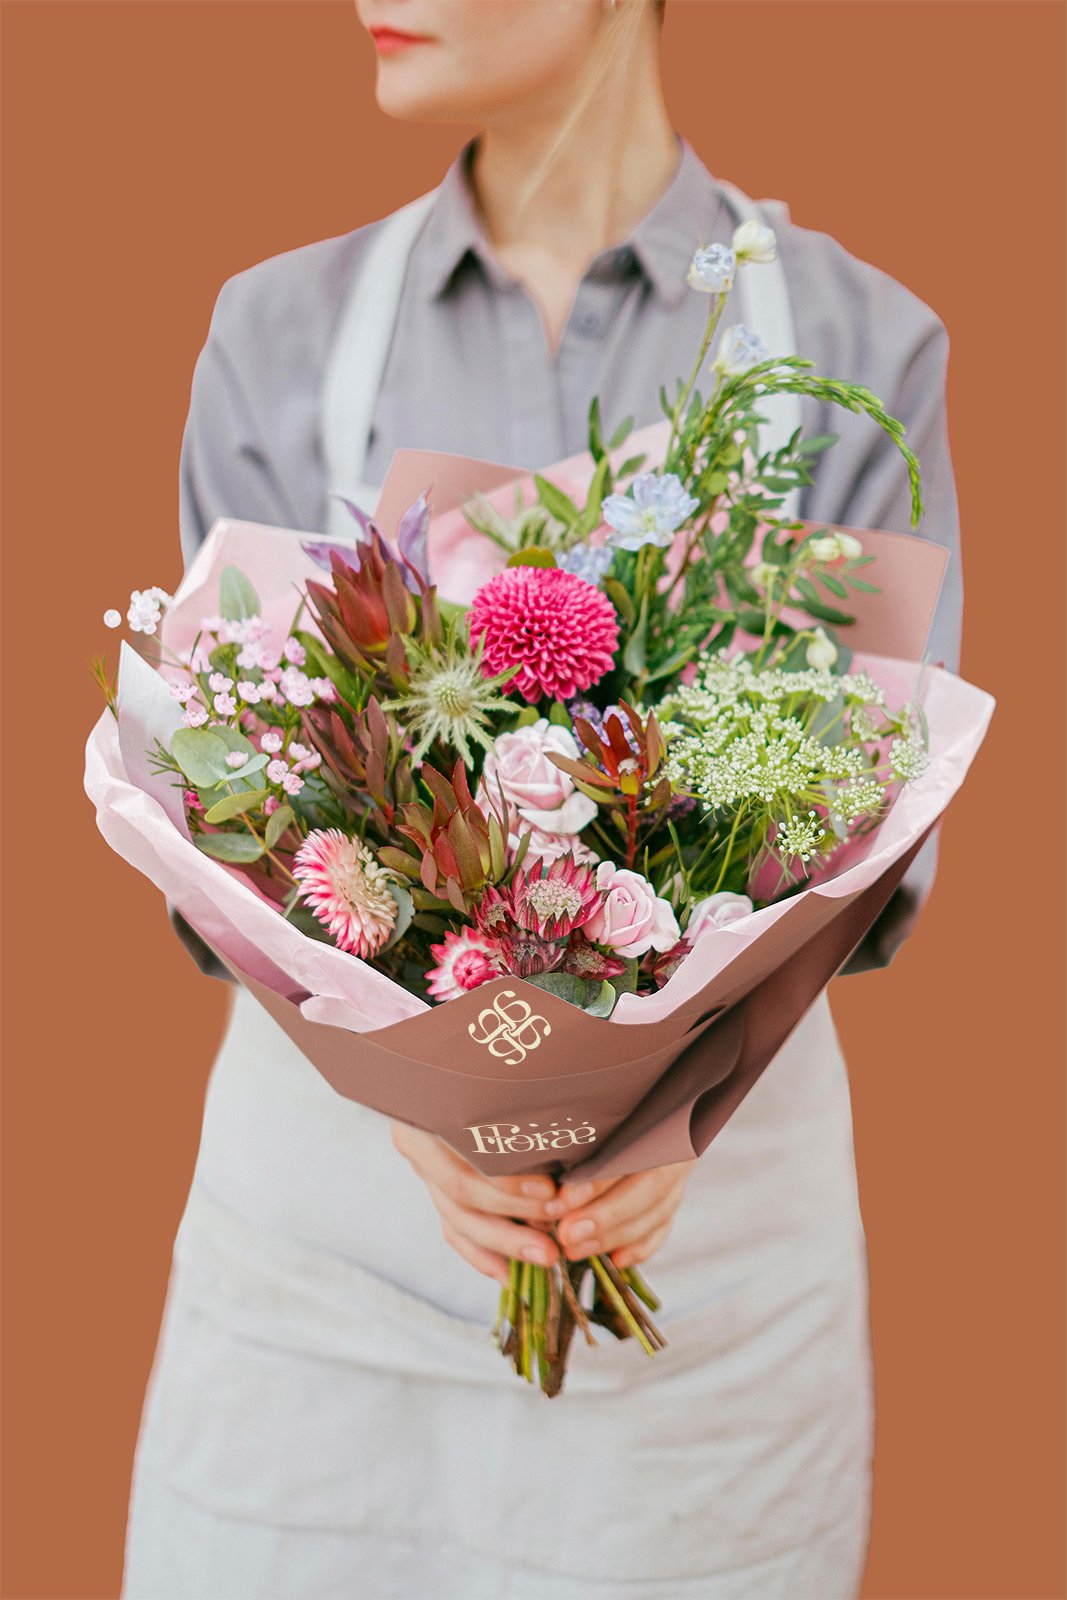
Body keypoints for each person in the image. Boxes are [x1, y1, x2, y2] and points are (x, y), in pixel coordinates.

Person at [122, 2, 962, 1596]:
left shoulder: (859, 342)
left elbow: (872, 824)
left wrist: (675, 1107)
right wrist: (422, 1102)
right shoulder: (277, 329)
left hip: (706, 1294)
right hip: (328, 1280)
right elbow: (223, 810)